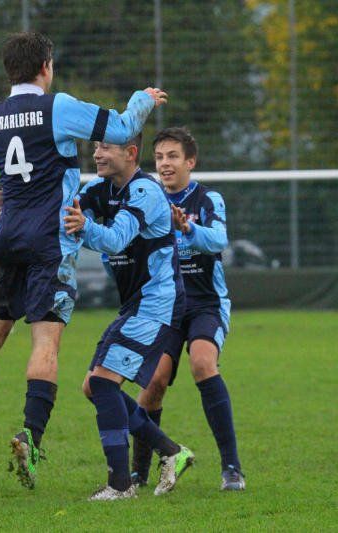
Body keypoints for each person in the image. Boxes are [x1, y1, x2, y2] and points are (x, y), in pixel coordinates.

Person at [0, 31, 167, 489]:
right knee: (45, 343)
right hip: (50, 241)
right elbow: (122, 130)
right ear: (46, 67)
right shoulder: (57, 107)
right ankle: (31, 437)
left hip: (8, 236)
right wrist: (143, 99)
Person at [64, 135, 194, 501]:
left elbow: (116, 239)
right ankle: (171, 451)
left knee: (103, 384)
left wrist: (83, 226)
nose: (97, 154)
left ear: (131, 153)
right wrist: (20, 208)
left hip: (157, 303)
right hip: (136, 305)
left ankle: (121, 485)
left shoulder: (145, 192)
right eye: (96, 147)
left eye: (105, 147)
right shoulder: (100, 189)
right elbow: (65, 214)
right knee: (93, 386)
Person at [130, 127, 245, 491]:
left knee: (202, 363)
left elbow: (218, 240)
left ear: (190, 161)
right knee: (153, 382)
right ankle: (138, 472)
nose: (165, 164)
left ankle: (232, 468)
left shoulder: (208, 199)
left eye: (173, 156)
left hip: (205, 303)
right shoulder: (147, 200)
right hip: (165, 306)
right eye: (159, 157)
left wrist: (189, 229)